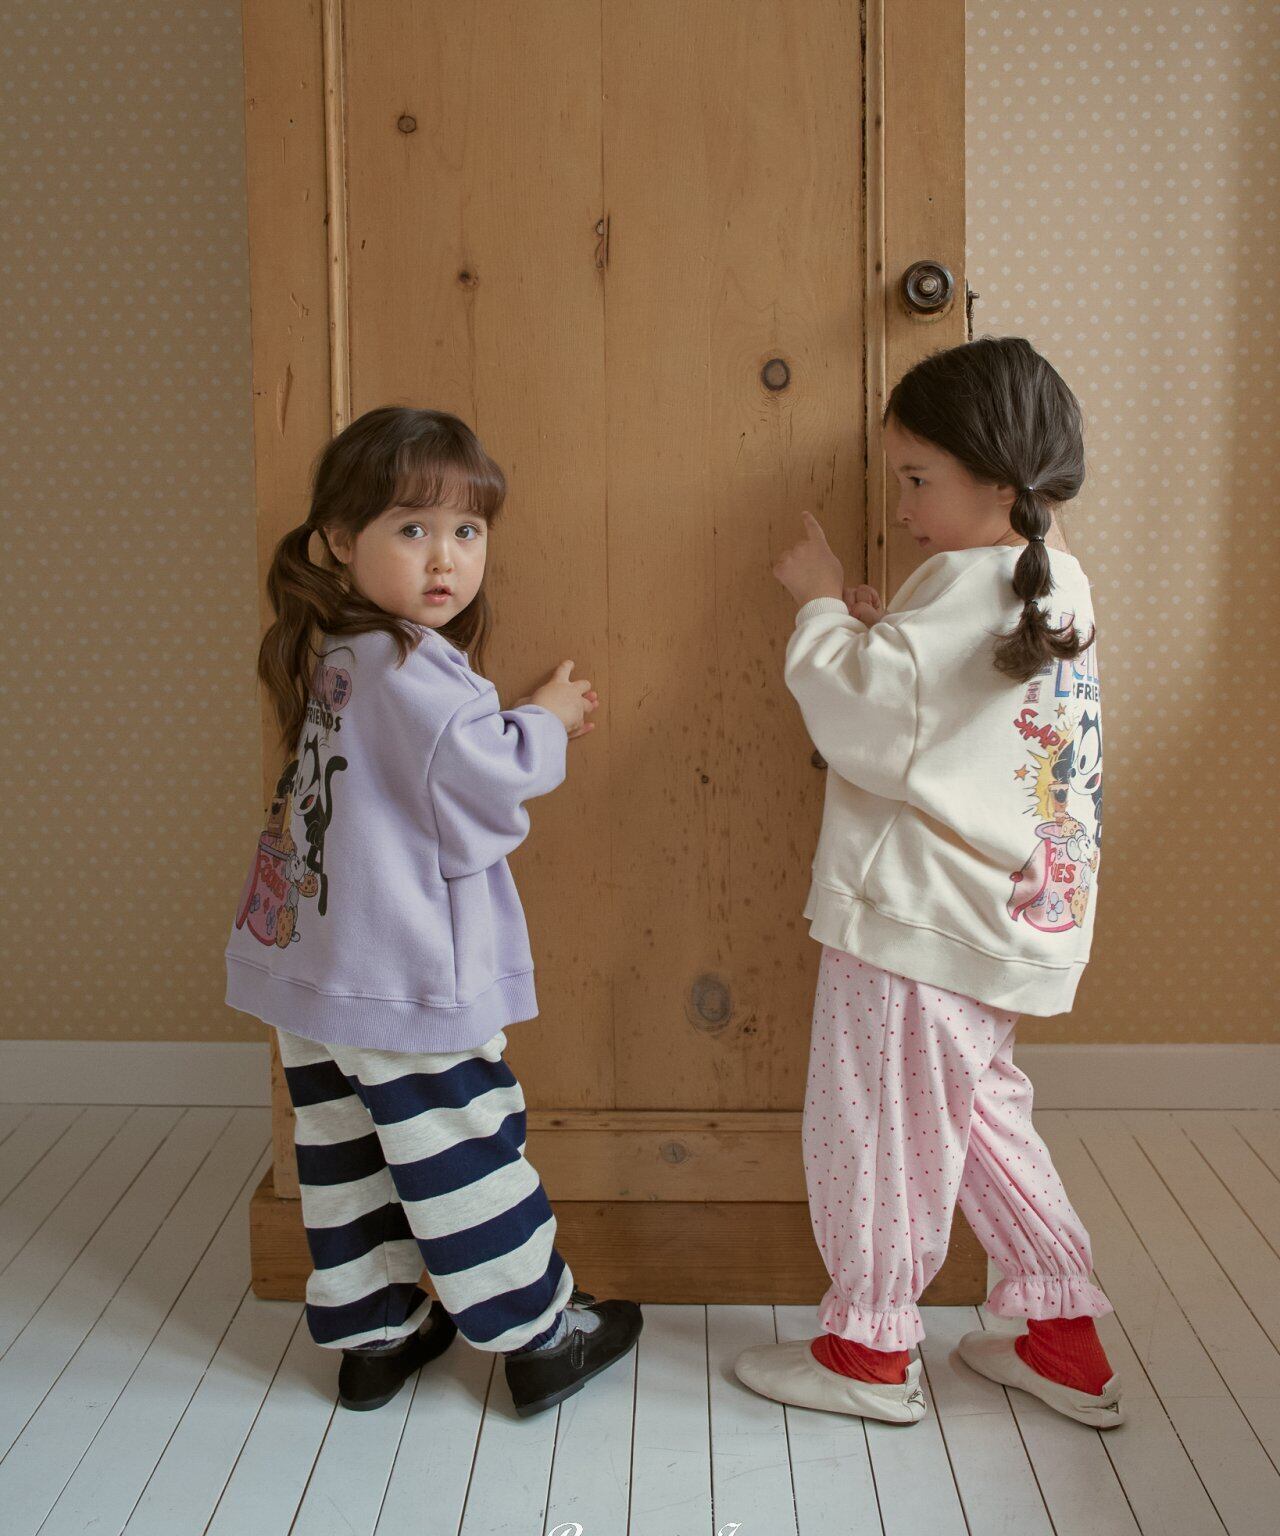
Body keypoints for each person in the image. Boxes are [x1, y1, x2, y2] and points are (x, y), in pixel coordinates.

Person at [734, 336, 1122, 1429]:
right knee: (981, 1120)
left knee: (878, 1128)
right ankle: (1061, 1339)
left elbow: (868, 725)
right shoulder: (1055, 583)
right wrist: (885, 633)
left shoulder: (964, 581)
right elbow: (952, 716)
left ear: (997, 481)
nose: (900, 507)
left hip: (917, 921)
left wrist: (819, 605)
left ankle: (865, 1353)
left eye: (916, 480)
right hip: (1004, 922)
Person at [225, 405, 641, 1416]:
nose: (445, 557)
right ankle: (538, 1335)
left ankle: (375, 1335)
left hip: (316, 968)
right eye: (411, 528)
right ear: (339, 538)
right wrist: (547, 718)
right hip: (403, 972)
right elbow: (484, 771)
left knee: (347, 1157)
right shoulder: (413, 664)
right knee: (461, 1147)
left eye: (467, 529)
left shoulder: (332, 646)